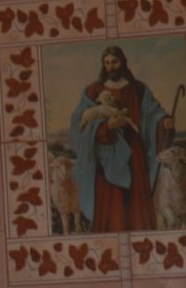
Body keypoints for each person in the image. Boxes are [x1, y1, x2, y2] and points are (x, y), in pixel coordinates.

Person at [69, 44, 172, 231]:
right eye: (107, 63)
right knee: (111, 202)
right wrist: (106, 127)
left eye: (114, 62)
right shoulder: (93, 91)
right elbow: (79, 124)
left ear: (122, 62)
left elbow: (153, 112)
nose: (111, 67)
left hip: (135, 153)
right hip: (106, 155)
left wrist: (163, 122)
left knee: (136, 202)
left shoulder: (139, 89)